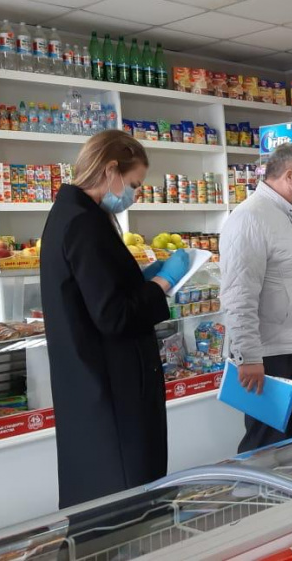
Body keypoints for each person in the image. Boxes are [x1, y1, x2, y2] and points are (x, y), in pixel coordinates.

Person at [40, 130, 191, 508]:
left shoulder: (72, 214)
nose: (134, 194)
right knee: (126, 503)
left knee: (97, 501)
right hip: (112, 390)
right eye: (134, 184)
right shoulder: (84, 224)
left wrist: (138, 281)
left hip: (92, 387)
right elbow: (113, 316)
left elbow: (97, 292)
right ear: (110, 169)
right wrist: (162, 283)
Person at [220, 142, 292, 454]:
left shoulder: (287, 216)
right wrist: (248, 356)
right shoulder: (251, 217)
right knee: (267, 446)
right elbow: (238, 293)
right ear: (289, 175)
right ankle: (253, 489)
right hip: (273, 355)